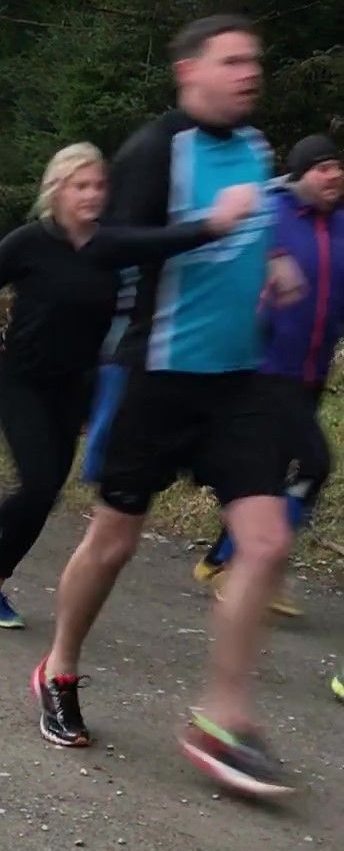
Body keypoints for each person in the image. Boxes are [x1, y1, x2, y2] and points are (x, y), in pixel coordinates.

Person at [32, 16, 306, 797]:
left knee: (265, 543)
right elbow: (106, 242)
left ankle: (222, 719)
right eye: (233, 61)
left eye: (256, 59)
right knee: (113, 544)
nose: (251, 72)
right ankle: (58, 668)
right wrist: (202, 228)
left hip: (237, 382)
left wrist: (277, 258)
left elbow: (254, 226)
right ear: (189, 73)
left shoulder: (254, 148)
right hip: (158, 376)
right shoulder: (157, 149)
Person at [0, 143, 230, 629]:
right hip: (22, 380)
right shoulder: (27, 242)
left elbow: (163, 241)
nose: (93, 194)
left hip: (74, 385)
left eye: (99, 185)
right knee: (38, 482)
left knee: (47, 493)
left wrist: (214, 227)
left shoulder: (109, 245)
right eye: (82, 185)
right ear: (58, 190)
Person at [193, 135, 344, 616]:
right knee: (315, 464)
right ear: (300, 174)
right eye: (322, 168)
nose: (334, 176)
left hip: (311, 371)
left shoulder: (340, 226)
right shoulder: (271, 216)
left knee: (271, 476)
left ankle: (223, 558)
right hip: (264, 369)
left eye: (338, 167)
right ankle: (251, 568)